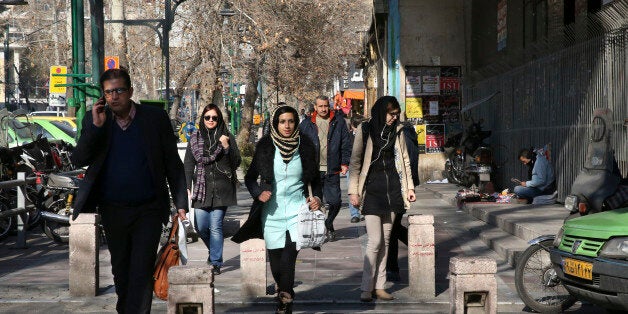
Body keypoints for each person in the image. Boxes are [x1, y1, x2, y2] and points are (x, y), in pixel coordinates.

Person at [71, 68, 188, 313]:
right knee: (121, 271)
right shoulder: (97, 119)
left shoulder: (154, 118)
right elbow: (79, 158)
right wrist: (95, 127)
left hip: (148, 209)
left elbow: (172, 163)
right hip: (113, 209)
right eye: (109, 92)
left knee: (142, 270)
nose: (114, 97)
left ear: (130, 91)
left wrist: (180, 202)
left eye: (119, 90)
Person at [237, 105, 322, 314]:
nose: (287, 126)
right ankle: (284, 295)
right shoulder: (266, 146)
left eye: (291, 121)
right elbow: (249, 178)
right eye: (282, 121)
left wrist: (317, 198)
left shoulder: (306, 146)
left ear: (296, 123)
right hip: (271, 214)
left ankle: (285, 299)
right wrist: (258, 192)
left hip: (298, 212)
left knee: (288, 260)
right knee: (276, 265)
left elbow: (315, 179)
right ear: (276, 123)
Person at [348, 96, 416, 302]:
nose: (394, 118)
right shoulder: (365, 129)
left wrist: (409, 188)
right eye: (391, 114)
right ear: (381, 112)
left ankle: (380, 286)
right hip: (372, 192)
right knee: (375, 241)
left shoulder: (398, 131)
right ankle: (366, 288)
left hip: (394, 190)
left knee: (386, 241)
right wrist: (353, 191)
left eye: (397, 114)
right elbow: (355, 162)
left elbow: (404, 159)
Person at [183, 103, 241, 275]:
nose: (210, 120)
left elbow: (236, 162)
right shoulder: (195, 138)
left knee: (216, 226)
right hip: (202, 189)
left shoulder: (227, 136)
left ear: (219, 119)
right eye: (207, 117)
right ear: (203, 119)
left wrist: (226, 147)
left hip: (222, 188)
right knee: (201, 226)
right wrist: (187, 185)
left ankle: (215, 262)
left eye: (214, 118)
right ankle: (213, 251)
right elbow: (188, 164)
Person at [299, 95, 351, 241]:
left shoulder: (338, 122)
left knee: (335, 202)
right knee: (316, 203)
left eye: (326, 106)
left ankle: (328, 223)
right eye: (320, 106)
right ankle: (321, 228)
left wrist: (345, 163)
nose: (323, 109)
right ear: (315, 107)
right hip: (313, 171)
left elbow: (345, 144)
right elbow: (300, 145)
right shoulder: (306, 124)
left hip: (332, 169)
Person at [386, 118, 420, 281]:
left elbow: (408, 163)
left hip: (400, 188)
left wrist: (408, 187)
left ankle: (392, 268)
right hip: (399, 187)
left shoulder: (403, 135)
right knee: (394, 226)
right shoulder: (407, 134)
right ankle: (420, 245)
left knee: (392, 228)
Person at [348, 114, 365, 223]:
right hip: (352, 167)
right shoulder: (348, 136)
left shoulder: (367, 135)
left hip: (364, 167)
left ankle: (364, 209)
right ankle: (355, 214)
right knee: (352, 189)